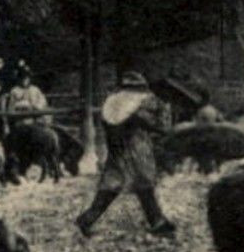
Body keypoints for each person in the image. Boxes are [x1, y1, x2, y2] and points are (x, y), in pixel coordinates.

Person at [75, 71, 175, 238]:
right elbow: (162, 127)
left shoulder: (112, 101)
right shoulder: (140, 104)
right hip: (137, 148)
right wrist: (165, 109)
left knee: (112, 183)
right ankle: (157, 221)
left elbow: (110, 123)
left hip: (117, 148)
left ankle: (88, 218)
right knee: (144, 182)